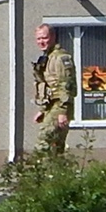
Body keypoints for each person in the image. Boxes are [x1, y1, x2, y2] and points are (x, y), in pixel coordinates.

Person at [32, 23, 76, 156]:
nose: (41, 42)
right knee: (56, 146)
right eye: (39, 39)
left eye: (44, 38)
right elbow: (47, 85)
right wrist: (43, 110)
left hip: (60, 105)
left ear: (53, 37)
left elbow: (66, 85)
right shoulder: (47, 57)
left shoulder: (60, 58)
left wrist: (62, 111)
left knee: (44, 142)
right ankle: (57, 174)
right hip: (51, 105)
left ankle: (40, 174)